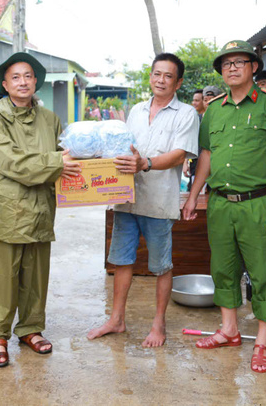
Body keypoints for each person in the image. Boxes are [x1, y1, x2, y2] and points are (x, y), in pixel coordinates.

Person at [183, 40, 266, 374]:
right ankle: (229, 329)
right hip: (220, 203)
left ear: (253, 67)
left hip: (258, 202)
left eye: (239, 62)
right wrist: (194, 195)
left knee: (263, 271)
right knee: (223, 266)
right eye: (226, 63)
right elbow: (206, 156)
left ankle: (262, 343)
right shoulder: (213, 109)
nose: (232, 67)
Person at [88, 53, 199, 347]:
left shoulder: (186, 114)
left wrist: (145, 163)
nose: (161, 80)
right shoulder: (136, 110)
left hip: (159, 202)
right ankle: (117, 320)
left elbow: (179, 154)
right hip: (126, 200)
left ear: (178, 82)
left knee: (161, 265)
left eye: (168, 76)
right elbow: (123, 148)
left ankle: (159, 324)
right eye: (156, 74)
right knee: (121, 261)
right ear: (150, 77)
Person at [0, 52, 82, 368]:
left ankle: (30, 329)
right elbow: (10, 162)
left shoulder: (50, 119)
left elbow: (68, 156)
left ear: (36, 81)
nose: (23, 82)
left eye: (28, 76)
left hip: (40, 206)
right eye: (16, 77)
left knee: (35, 273)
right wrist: (55, 163)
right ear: (5, 84)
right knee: (1, 275)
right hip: (6, 206)